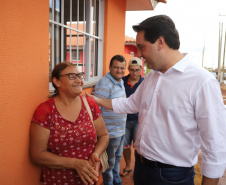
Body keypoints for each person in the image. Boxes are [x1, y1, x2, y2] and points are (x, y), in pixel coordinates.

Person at [87, 15, 226, 185]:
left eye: (141, 47)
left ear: (161, 42)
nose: (139, 54)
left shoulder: (202, 81)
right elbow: (129, 104)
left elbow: (215, 145)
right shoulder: (152, 77)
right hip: (142, 169)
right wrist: (95, 100)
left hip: (172, 176)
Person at [29, 62, 109, 185]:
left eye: (80, 75)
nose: (78, 80)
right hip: (58, 180)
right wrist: (75, 163)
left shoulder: (89, 104)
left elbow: (104, 135)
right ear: (57, 82)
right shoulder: (45, 111)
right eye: (72, 76)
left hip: (90, 180)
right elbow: (37, 155)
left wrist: (96, 154)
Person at [93, 55, 127, 185]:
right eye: (116, 67)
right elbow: (96, 110)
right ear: (110, 67)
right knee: (109, 164)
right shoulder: (105, 84)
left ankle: (117, 181)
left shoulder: (120, 81)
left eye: (122, 68)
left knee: (117, 159)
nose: (119, 70)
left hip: (120, 131)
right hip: (110, 133)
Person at [120, 57, 144, 177]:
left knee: (138, 147)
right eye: (132, 70)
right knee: (125, 145)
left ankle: (138, 170)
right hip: (124, 119)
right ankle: (128, 165)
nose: (134, 73)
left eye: (137, 70)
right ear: (128, 69)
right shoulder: (121, 81)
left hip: (138, 120)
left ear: (141, 69)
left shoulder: (145, 83)